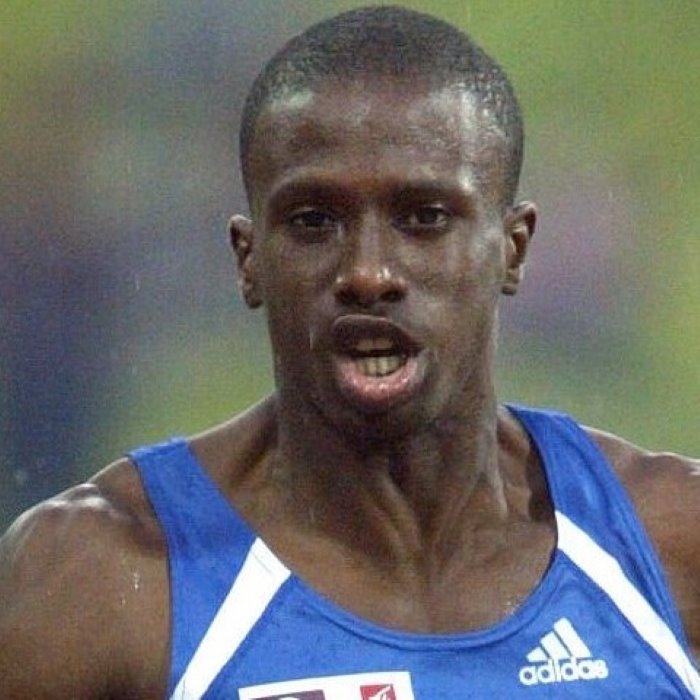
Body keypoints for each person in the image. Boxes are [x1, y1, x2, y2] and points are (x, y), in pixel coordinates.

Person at [1, 5, 698, 699]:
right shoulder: (98, 582)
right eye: (314, 221)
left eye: (424, 218)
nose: (368, 273)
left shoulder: (672, 544)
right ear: (248, 259)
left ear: (512, 249)